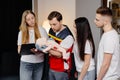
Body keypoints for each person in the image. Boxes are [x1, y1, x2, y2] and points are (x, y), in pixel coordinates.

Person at [17, 10, 48, 80]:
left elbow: (47, 47)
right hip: (26, 63)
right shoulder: (22, 32)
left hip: (39, 63)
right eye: (28, 19)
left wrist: (39, 50)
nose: (31, 21)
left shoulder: (42, 30)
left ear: (35, 17)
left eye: (32, 18)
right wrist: (29, 50)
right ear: (25, 21)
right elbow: (19, 50)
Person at [47, 11, 74, 80]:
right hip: (51, 67)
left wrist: (46, 48)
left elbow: (59, 54)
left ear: (61, 21)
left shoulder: (68, 36)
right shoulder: (52, 31)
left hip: (61, 70)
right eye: (50, 24)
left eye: (54, 24)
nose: (52, 27)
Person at [94, 6, 120, 80]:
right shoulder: (107, 34)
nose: (94, 21)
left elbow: (106, 64)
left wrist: (98, 79)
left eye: (97, 20)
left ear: (105, 21)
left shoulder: (110, 37)